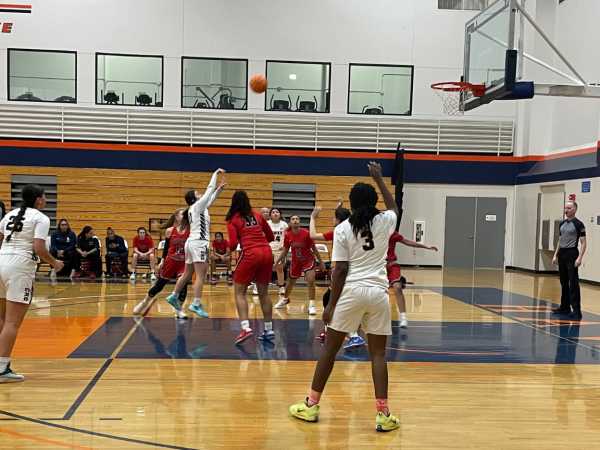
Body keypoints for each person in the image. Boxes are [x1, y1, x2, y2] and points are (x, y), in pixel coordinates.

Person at [290, 161, 400, 432]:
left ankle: (312, 405)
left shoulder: (342, 229)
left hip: (351, 292)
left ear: (350, 204)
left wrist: (330, 305)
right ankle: (383, 414)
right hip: (378, 292)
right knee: (378, 356)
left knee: (330, 349)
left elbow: (340, 270)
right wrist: (380, 180)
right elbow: (395, 207)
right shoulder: (386, 220)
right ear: (374, 201)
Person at [0, 184, 63, 382]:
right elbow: (38, 247)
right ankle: (1, 369)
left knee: (2, 319)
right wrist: (55, 263)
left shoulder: (9, 215)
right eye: (44, 198)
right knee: (12, 322)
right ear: (39, 199)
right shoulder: (40, 218)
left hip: (1, 262)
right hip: (19, 267)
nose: (45, 200)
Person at [165, 168, 227, 318]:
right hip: (199, 243)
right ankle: (196, 303)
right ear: (194, 199)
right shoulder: (198, 206)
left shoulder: (199, 208)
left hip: (191, 243)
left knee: (187, 274)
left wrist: (220, 188)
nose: (202, 195)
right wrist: (215, 174)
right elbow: (209, 190)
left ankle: (173, 296)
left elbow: (211, 197)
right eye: (198, 194)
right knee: (200, 276)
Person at [310, 202, 365, 350]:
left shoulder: (338, 232)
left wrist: (313, 218)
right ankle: (328, 329)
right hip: (353, 270)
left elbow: (312, 235)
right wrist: (339, 207)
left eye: (334, 217)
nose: (332, 220)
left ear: (338, 220)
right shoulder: (354, 230)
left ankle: (354, 335)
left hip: (345, 271)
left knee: (340, 302)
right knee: (328, 297)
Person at [226, 190, 276, 344]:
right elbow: (271, 237)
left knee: (239, 293)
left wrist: (229, 250)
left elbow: (234, 244)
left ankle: (245, 327)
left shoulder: (232, 219)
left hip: (250, 253)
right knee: (264, 294)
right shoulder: (258, 215)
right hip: (267, 253)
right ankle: (268, 329)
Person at [133, 209, 190, 319]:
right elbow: (166, 247)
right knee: (159, 286)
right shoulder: (170, 231)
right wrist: (162, 260)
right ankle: (143, 303)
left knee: (183, 286)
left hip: (183, 262)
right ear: (177, 217)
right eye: (183, 213)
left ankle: (179, 310)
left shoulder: (191, 230)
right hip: (171, 261)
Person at [273, 215, 326, 315]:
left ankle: (312, 305)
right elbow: (285, 250)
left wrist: (321, 262)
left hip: (308, 260)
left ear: (299, 222)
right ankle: (285, 299)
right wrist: (277, 262)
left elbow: (314, 248)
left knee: (310, 280)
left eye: (297, 219)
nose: (295, 220)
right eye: (293, 219)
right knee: (290, 283)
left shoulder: (306, 233)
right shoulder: (288, 235)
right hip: (295, 261)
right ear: (290, 223)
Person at [386, 231, 437, 328]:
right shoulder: (370, 233)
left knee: (397, 287)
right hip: (377, 266)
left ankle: (404, 317)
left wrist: (425, 246)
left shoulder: (391, 233)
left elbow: (406, 241)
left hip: (391, 264)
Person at [552, 201, 587, 319]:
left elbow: (583, 243)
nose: (566, 210)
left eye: (569, 208)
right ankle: (565, 306)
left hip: (572, 253)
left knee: (573, 282)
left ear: (575, 210)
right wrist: (555, 255)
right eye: (565, 208)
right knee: (563, 281)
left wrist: (579, 257)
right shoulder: (562, 224)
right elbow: (560, 241)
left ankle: (576, 310)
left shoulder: (578, 224)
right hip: (562, 253)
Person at [268, 207, 288, 296]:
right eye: (273, 212)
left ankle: (281, 287)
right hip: (268, 249)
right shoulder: (267, 224)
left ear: (280, 215)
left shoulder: (284, 225)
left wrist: (285, 246)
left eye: (277, 212)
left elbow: (288, 237)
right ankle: (258, 286)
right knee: (263, 269)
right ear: (270, 215)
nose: (275, 213)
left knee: (280, 269)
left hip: (280, 250)